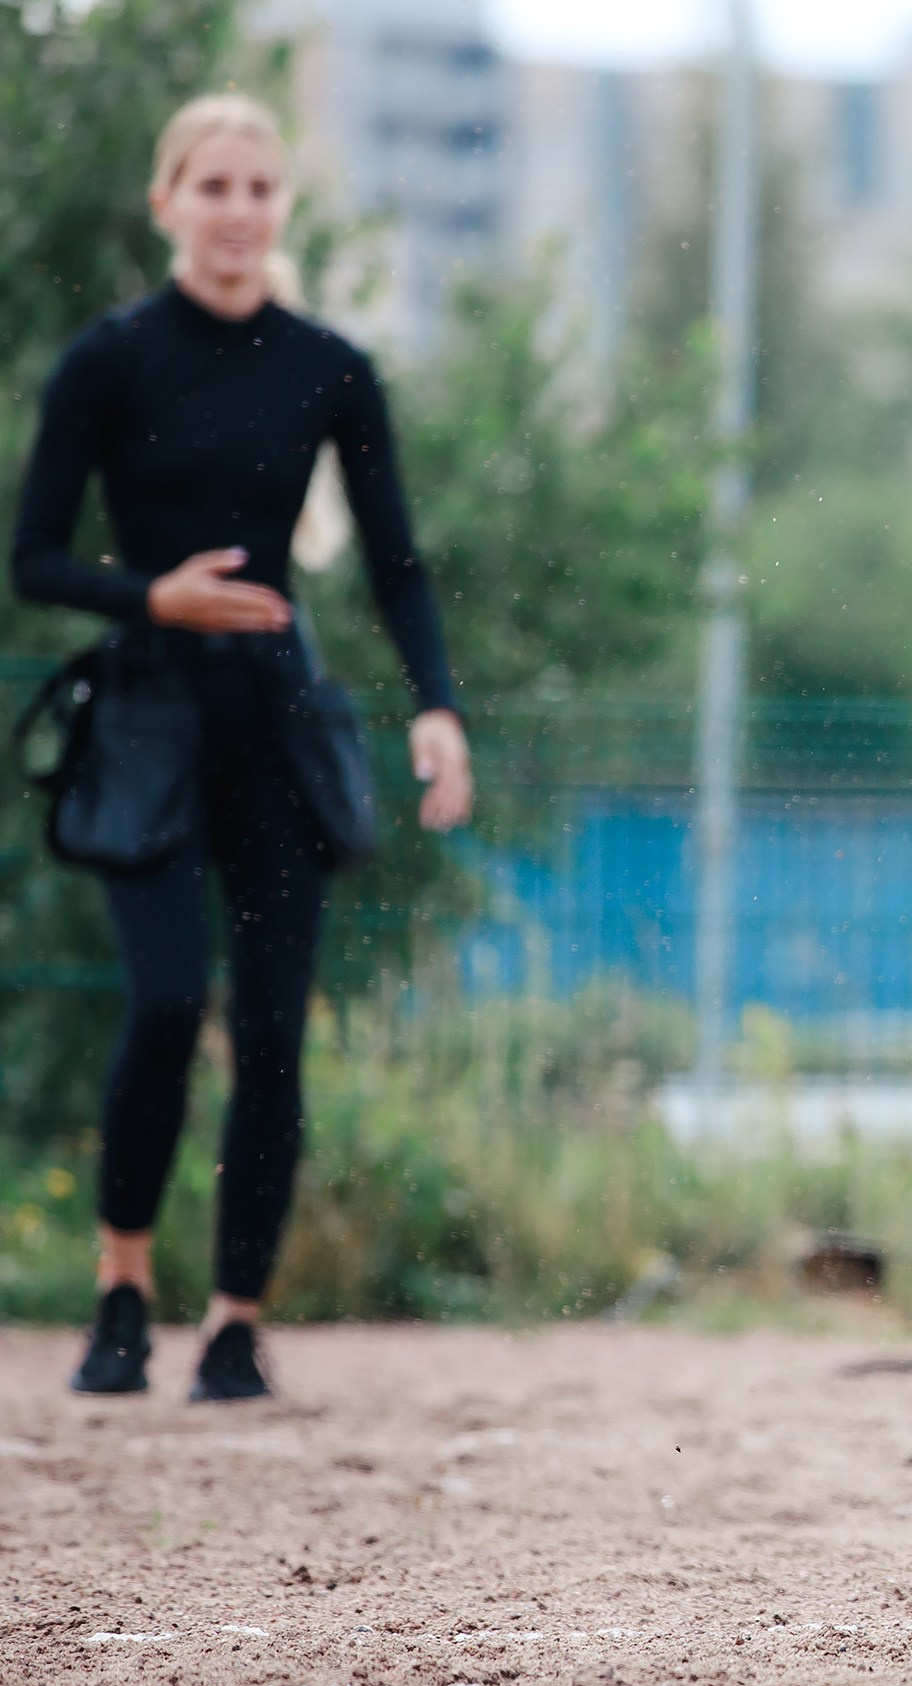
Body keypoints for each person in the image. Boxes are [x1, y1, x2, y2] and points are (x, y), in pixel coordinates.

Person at [9, 95, 473, 1401]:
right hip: (147, 720)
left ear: (282, 209)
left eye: (260, 190)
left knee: (271, 1030)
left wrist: (436, 704)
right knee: (163, 1006)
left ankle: (232, 1323)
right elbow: (34, 556)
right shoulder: (107, 361)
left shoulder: (329, 367)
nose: (237, 211)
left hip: (278, 723)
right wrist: (154, 596)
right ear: (167, 202)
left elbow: (395, 563)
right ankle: (118, 1292)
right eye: (213, 187)